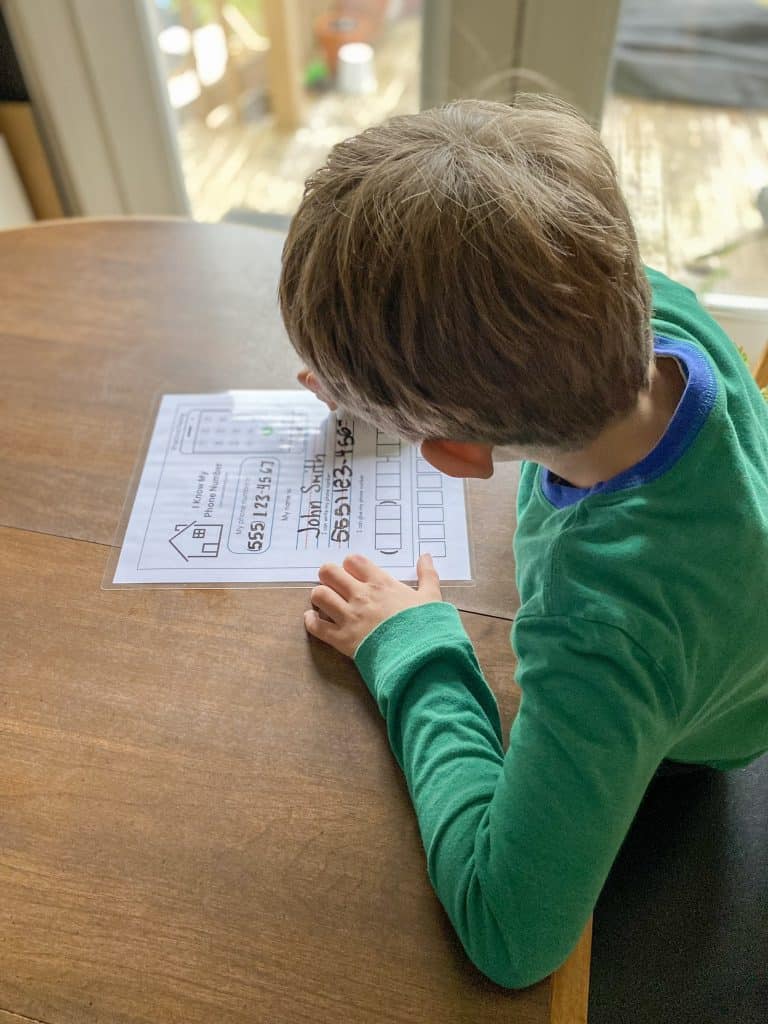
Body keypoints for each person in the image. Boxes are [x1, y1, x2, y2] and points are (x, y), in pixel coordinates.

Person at [277, 94, 768, 989]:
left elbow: (512, 936)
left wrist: (413, 644)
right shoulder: (661, 311)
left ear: (456, 455)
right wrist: (387, 389)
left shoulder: (606, 641)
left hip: (700, 747)